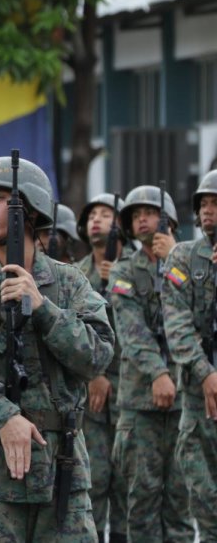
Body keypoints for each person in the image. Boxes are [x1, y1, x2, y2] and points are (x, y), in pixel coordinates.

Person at [0, 156, 113, 540]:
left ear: (29, 210)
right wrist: (4, 415)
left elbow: (97, 355)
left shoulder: (68, 283)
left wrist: (44, 310)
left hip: (61, 471)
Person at [109, 185, 193, 542]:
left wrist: (175, 260)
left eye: (149, 212)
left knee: (181, 501)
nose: (142, 219)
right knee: (140, 504)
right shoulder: (124, 270)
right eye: (135, 214)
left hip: (185, 402)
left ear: (168, 219)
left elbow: (198, 314)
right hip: (140, 405)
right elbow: (132, 331)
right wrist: (159, 373)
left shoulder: (189, 263)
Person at [161, 169, 217, 541]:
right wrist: (205, 373)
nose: (208, 211)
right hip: (199, 401)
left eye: (216, 203)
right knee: (204, 499)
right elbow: (176, 325)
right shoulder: (182, 257)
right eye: (204, 204)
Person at [73, 193, 129, 541]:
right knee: (93, 481)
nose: (96, 219)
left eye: (106, 214)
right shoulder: (77, 274)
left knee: (128, 486)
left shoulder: (137, 270)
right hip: (90, 397)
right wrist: (95, 374)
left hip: (130, 395)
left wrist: (118, 279)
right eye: (92, 214)